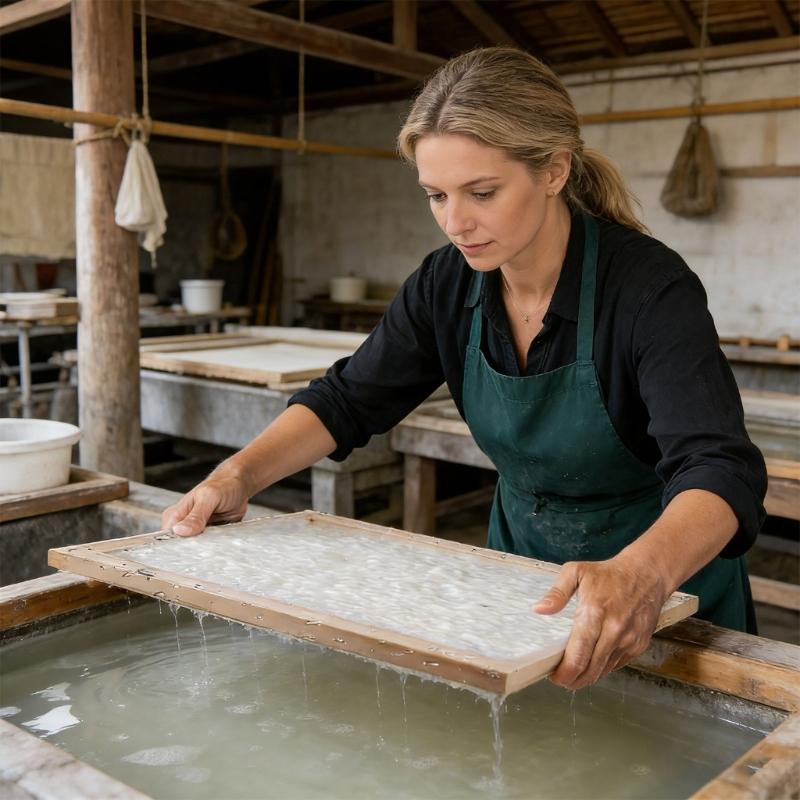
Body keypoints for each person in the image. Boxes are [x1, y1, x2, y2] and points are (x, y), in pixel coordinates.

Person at [162, 48, 767, 691]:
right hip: (521, 589)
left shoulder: (647, 287)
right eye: (436, 196)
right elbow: (348, 399)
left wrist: (641, 574)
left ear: (555, 170)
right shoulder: (446, 285)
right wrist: (237, 475)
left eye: (482, 193)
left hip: (665, 588)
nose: (456, 223)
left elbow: (719, 466)